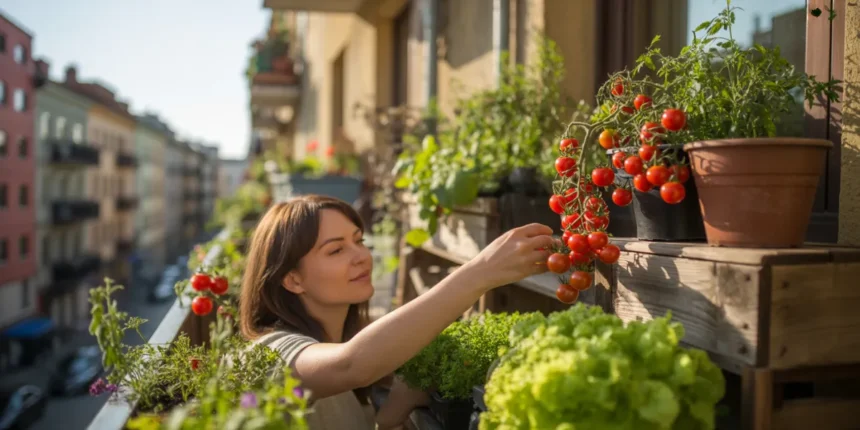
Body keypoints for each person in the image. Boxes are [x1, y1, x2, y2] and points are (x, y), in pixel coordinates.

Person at [239, 195, 554, 429]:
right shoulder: (271, 352)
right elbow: (352, 364)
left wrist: (391, 413)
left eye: (358, 241)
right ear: (293, 279)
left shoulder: (330, 354)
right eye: (336, 250)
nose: (361, 256)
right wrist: (480, 272)